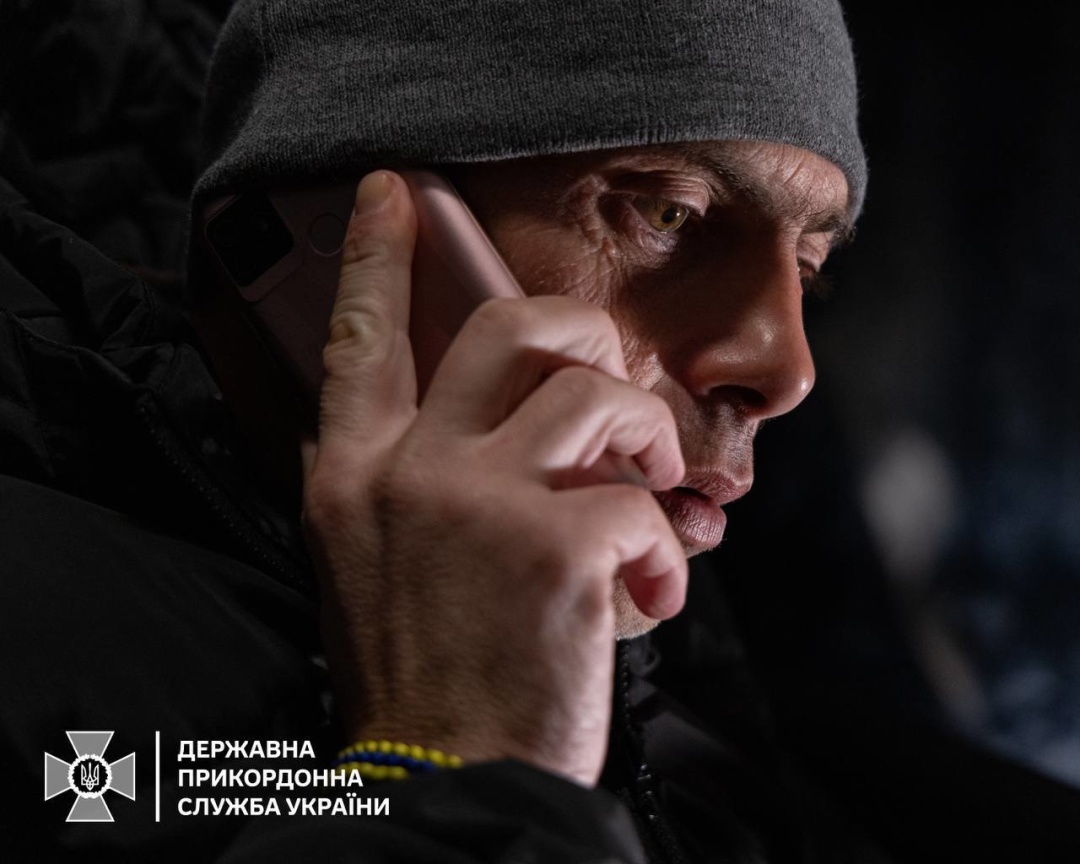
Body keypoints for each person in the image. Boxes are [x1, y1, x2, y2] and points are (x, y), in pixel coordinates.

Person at [6, 1, 1077, 862]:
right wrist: (462, 765)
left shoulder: (710, 688)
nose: (788, 370)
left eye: (808, 272)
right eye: (668, 214)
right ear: (344, 237)